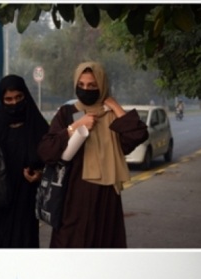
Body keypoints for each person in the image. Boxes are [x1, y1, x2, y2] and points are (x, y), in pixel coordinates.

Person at [37, 61, 149, 248]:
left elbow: (138, 135)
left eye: (92, 85)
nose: (85, 89)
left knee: (103, 247)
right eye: (81, 85)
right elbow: (46, 151)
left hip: (105, 198)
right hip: (73, 196)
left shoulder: (112, 116)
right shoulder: (67, 113)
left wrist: (115, 106)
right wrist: (75, 127)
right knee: (70, 246)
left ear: (102, 86)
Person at [0, 75, 49, 248]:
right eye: (9, 99)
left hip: (23, 200)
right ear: (2, 99)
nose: (14, 103)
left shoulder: (37, 125)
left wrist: (39, 175)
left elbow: (50, 160)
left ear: (25, 96)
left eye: (18, 98)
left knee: (21, 247)